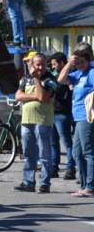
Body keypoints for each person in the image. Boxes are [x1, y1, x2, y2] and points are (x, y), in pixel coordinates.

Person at [14, 53, 57, 193]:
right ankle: (28, 182)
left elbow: (43, 97)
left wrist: (37, 80)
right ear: (31, 65)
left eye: (43, 64)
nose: (40, 67)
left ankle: (45, 183)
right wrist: (35, 96)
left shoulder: (50, 79)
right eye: (37, 64)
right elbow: (18, 96)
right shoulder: (25, 79)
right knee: (28, 153)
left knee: (44, 154)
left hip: (43, 121)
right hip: (27, 120)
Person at [57, 42, 94, 197]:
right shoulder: (78, 74)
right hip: (77, 117)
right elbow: (60, 80)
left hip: (87, 116)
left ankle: (90, 187)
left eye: (79, 61)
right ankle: (85, 185)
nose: (77, 64)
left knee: (88, 151)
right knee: (77, 153)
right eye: (76, 62)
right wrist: (69, 64)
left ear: (87, 59)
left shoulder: (92, 72)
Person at [49, 52, 75, 180]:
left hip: (62, 113)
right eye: (52, 65)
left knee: (67, 143)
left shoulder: (67, 76)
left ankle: (71, 169)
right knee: (53, 143)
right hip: (52, 113)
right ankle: (54, 168)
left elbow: (58, 89)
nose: (53, 67)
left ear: (62, 63)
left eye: (55, 64)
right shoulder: (53, 75)